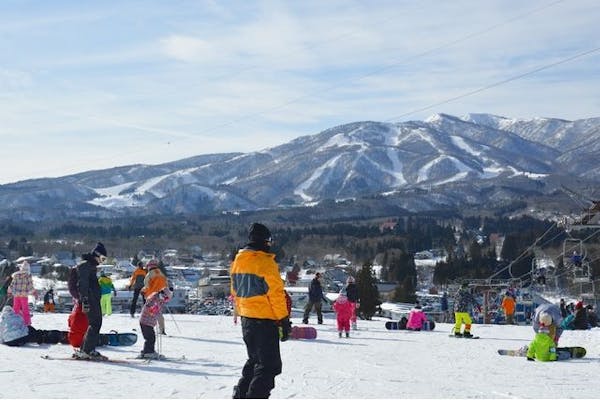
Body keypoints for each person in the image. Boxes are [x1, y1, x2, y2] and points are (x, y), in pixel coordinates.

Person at [230, 222, 290, 399]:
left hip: (246, 319)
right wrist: (283, 319)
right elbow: (276, 294)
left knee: (256, 361)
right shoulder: (265, 263)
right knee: (269, 366)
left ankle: (241, 393)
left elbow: (235, 291)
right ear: (265, 241)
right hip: (264, 320)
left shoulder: (238, 261)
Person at [73, 242, 108, 360]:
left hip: (93, 298)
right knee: (95, 323)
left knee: (95, 323)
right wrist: (85, 299)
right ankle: (87, 350)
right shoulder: (86, 265)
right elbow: (82, 284)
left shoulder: (90, 266)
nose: (101, 262)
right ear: (96, 255)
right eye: (102, 258)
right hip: (90, 299)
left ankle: (86, 349)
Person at [0, 305, 69, 347]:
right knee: (41, 334)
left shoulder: (3, 321)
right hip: (21, 335)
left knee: (28, 334)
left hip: (9, 341)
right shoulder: (17, 315)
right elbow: (25, 324)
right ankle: (62, 336)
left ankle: (32, 338)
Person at [139, 288, 171, 359]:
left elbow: (158, 311)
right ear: (162, 294)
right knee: (150, 338)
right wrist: (154, 310)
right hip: (145, 321)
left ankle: (147, 351)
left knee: (150, 337)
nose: (165, 300)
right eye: (165, 298)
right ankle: (148, 352)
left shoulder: (159, 300)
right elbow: (149, 308)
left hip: (149, 322)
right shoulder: (153, 299)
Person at [141, 259, 168, 335]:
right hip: (161, 296)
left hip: (152, 296)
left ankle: (149, 328)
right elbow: (166, 284)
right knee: (158, 312)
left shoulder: (149, 274)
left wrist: (143, 291)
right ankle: (162, 329)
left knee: (149, 313)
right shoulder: (161, 273)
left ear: (149, 266)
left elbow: (147, 286)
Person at [8, 261, 36, 326]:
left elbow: (12, 285)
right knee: (25, 309)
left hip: (16, 295)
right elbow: (30, 286)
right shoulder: (28, 276)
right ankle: (27, 323)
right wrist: (33, 292)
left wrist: (9, 291)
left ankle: (14, 322)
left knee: (15, 309)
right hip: (24, 295)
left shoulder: (16, 276)